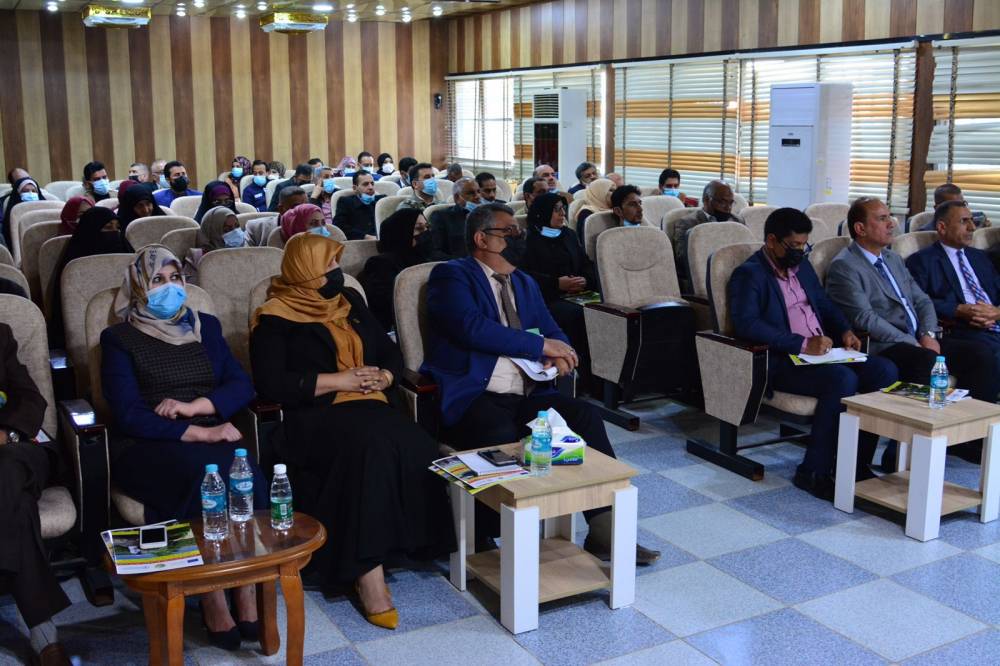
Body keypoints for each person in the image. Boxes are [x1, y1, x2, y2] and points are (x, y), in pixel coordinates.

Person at [419, 203, 660, 565]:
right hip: (476, 394)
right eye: (508, 233)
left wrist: (561, 352)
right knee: (498, 432)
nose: (518, 238)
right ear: (481, 239)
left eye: (518, 232)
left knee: (584, 417)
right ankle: (486, 535)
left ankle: (604, 528)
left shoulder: (524, 281)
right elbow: (471, 328)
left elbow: (551, 329)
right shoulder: (452, 275)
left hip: (529, 392)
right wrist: (540, 346)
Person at [250, 233, 454, 627]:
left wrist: (386, 376)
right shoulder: (274, 317)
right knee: (369, 449)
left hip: (370, 403)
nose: (336, 272)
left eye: (336, 264)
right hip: (316, 414)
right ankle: (367, 573)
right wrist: (338, 381)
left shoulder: (349, 301)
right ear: (305, 269)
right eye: (328, 265)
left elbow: (388, 350)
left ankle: (410, 545)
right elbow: (272, 382)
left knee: (416, 444)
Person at [101, 245, 267, 650]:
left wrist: (198, 408)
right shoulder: (118, 338)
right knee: (203, 476)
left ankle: (245, 583)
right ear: (138, 287)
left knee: (245, 474)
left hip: (210, 426)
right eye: (158, 280)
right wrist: (197, 432)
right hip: (147, 443)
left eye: (175, 278)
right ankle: (211, 592)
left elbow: (241, 385)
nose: (170, 287)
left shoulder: (205, 325)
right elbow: (128, 413)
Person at [729, 208, 898, 499]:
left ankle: (854, 464)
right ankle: (813, 470)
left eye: (804, 245)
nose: (800, 251)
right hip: (782, 360)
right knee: (842, 380)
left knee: (884, 371)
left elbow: (824, 304)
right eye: (794, 245)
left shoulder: (802, 267)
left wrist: (845, 330)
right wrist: (801, 344)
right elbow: (748, 324)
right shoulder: (749, 274)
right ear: (772, 240)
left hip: (823, 354)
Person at [826, 197, 998, 461]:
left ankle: (966, 441)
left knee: (980, 356)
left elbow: (922, 300)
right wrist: (912, 341)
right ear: (860, 229)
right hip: (886, 343)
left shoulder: (892, 258)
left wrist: (927, 334)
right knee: (925, 360)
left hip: (919, 338)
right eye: (882, 219)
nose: (892, 223)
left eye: (889, 217)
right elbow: (865, 318)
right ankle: (899, 453)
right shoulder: (845, 266)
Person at [0, 322, 74, 666]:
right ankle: (44, 632)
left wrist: (6, 434)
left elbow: (29, 397)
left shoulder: (0, 335)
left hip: (17, 449)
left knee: (6, 470)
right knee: (15, 500)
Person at [906, 200, 1000, 375]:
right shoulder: (921, 261)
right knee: (990, 354)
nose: (972, 227)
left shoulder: (980, 257)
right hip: (961, 330)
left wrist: (996, 312)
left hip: (994, 324)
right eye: (964, 221)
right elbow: (916, 302)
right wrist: (958, 309)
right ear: (942, 227)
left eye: (972, 220)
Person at [522, 193, 598, 387]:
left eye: (563, 209)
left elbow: (586, 264)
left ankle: (603, 375)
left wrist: (585, 280)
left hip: (579, 293)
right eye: (557, 210)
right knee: (577, 315)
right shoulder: (528, 239)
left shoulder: (569, 235)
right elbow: (525, 275)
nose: (562, 213)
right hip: (549, 297)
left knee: (605, 311)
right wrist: (556, 283)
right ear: (543, 213)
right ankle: (580, 376)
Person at [49, 208, 130, 347]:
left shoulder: (129, 258)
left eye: (118, 228)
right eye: (107, 227)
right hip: (85, 336)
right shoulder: (75, 268)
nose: (115, 233)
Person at [359, 208, 432, 332]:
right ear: (402, 232)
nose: (426, 233)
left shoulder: (428, 257)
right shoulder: (381, 264)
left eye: (427, 227)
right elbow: (388, 306)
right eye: (419, 229)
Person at [673, 180, 740, 291]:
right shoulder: (687, 223)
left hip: (732, 276)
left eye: (731, 202)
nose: (728, 207)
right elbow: (683, 260)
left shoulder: (737, 221)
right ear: (706, 200)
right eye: (722, 202)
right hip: (704, 279)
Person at [184, 206, 245, 282]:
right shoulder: (197, 257)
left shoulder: (247, 252)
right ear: (213, 232)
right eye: (227, 229)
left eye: (237, 226)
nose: (235, 232)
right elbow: (192, 285)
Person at [429, 177, 480, 258]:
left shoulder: (488, 216)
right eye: (470, 193)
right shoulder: (442, 217)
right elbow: (436, 252)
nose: (477, 196)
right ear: (457, 198)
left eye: (478, 192)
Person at [333, 172, 384, 240]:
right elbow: (339, 226)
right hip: (358, 243)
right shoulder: (346, 202)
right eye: (365, 184)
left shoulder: (382, 200)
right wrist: (365, 236)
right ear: (355, 188)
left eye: (372, 183)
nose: (371, 187)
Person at [920, 183, 991, 231]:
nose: (960, 209)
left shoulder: (978, 218)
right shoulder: (925, 233)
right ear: (937, 208)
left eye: (962, 204)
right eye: (954, 205)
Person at [2, 177, 45, 248]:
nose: (30, 194)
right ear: (18, 193)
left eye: (34, 191)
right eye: (25, 191)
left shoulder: (45, 208)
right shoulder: (13, 212)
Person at [574, 177, 616, 242]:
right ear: (599, 192)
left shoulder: (616, 210)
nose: (615, 193)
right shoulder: (586, 212)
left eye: (615, 190)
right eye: (611, 190)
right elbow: (585, 241)